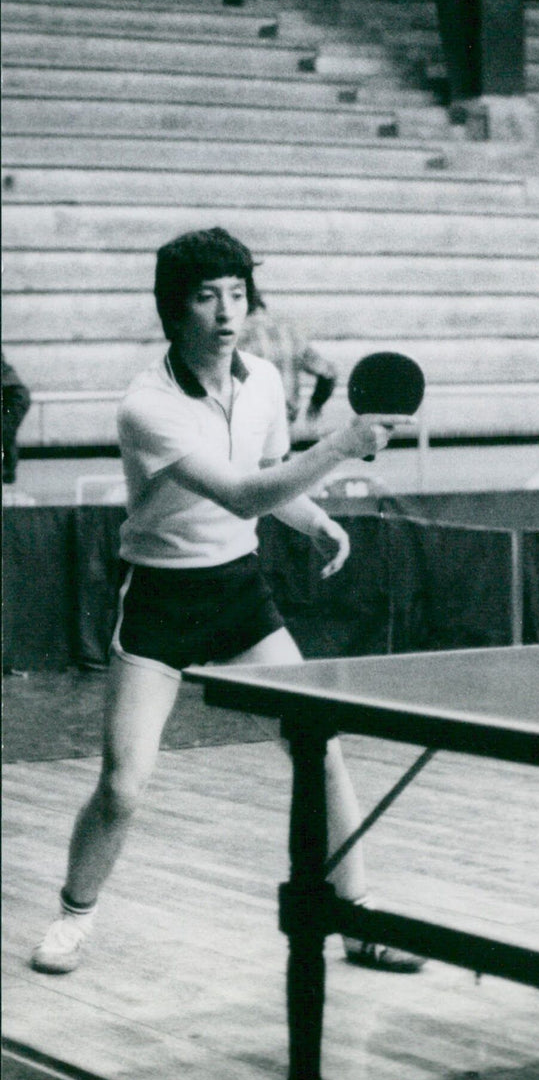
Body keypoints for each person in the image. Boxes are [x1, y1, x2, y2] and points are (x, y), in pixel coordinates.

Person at [31, 227, 424, 976]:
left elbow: (270, 471)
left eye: (237, 294)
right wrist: (341, 446)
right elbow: (243, 493)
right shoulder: (147, 406)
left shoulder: (266, 383)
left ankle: (357, 919)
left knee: (322, 750)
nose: (225, 311)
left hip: (239, 592)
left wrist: (313, 521)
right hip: (161, 602)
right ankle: (72, 918)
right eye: (207, 296)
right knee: (122, 785)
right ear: (174, 310)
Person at [238, 295, 337, 430]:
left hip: (248, 429)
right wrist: (315, 406)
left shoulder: (235, 335)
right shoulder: (288, 331)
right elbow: (328, 373)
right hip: (285, 427)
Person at [2, 355, 31, 485]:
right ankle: (8, 471)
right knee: (6, 431)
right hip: (10, 397)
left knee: (5, 429)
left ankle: (9, 471)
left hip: (15, 398)